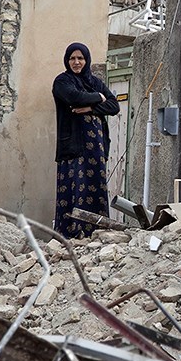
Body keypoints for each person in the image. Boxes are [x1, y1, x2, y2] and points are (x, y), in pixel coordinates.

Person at [51, 41, 120, 239]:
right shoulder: (62, 81)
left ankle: (96, 233)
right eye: (72, 58)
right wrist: (99, 97)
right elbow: (73, 97)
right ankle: (71, 235)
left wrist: (91, 107)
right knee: (74, 188)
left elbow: (114, 106)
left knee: (95, 186)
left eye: (80, 58)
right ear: (67, 60)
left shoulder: (95, 81)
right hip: (73, 146)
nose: (76, 62)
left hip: (96, 148)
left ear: (86, 60)